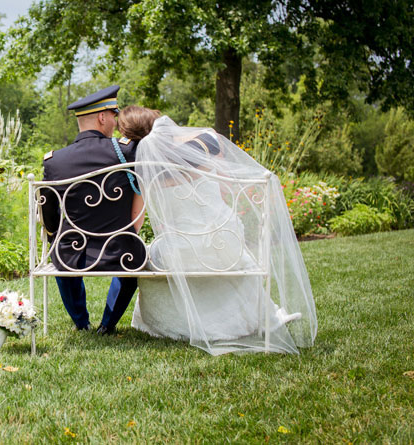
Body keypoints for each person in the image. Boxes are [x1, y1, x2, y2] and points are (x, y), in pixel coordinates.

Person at [117, 106, 318, 355]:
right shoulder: (201, 151)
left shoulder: (144, 169)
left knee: (154, 256)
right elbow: (224, 188)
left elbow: (135, 223)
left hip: (179, 249)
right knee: (232, 253)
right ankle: (257, 317)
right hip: (226, 241)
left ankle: (175, 325)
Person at [40, 85, 144, 335]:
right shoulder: (127, 150)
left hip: (72, 253)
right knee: (134, 255)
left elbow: (48, 215)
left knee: (60, 250)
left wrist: (56, 237)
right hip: (120, 251)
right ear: (102, 117)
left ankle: (81, 323)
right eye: (113, 115)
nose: (115, 121)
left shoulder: (54, 160)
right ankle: (108, 325)